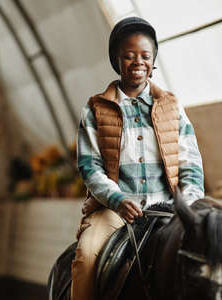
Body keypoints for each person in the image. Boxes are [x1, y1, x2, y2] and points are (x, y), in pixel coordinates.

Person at [71, 16, 204, 300]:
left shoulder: (172, 106)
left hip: (168, 212)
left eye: (145, 56)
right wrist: (118, 200)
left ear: (154, 61)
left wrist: (188, 209)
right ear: (116, 60)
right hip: (114, 212)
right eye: (129, 56)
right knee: (86, 255)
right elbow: (89, 167)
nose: (138, 62)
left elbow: (191, 165)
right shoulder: (95, 108)